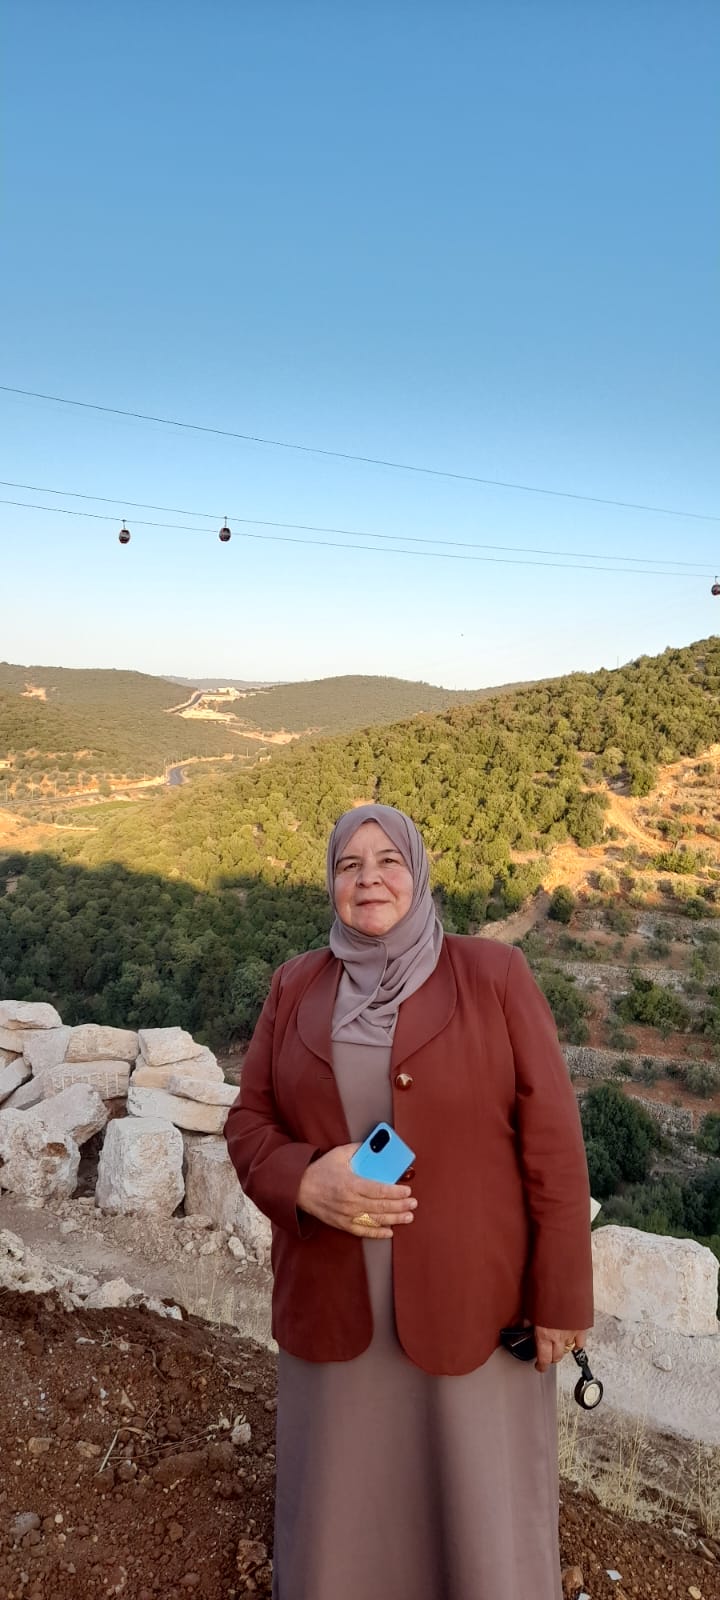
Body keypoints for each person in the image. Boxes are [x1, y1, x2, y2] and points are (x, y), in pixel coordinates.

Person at [225, 803, 593, 1600]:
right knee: (344, 1507)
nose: (369, 879)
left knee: (477, 1510)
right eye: (348, 865)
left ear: (418, 873)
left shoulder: (493, 976)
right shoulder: (295, 986)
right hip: (334, 1299)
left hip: (472, 1308)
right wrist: (304, 1179)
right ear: (331, 883)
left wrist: (562, 1297)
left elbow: (555, 1147)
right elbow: (248, 1122)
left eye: (388, 860)